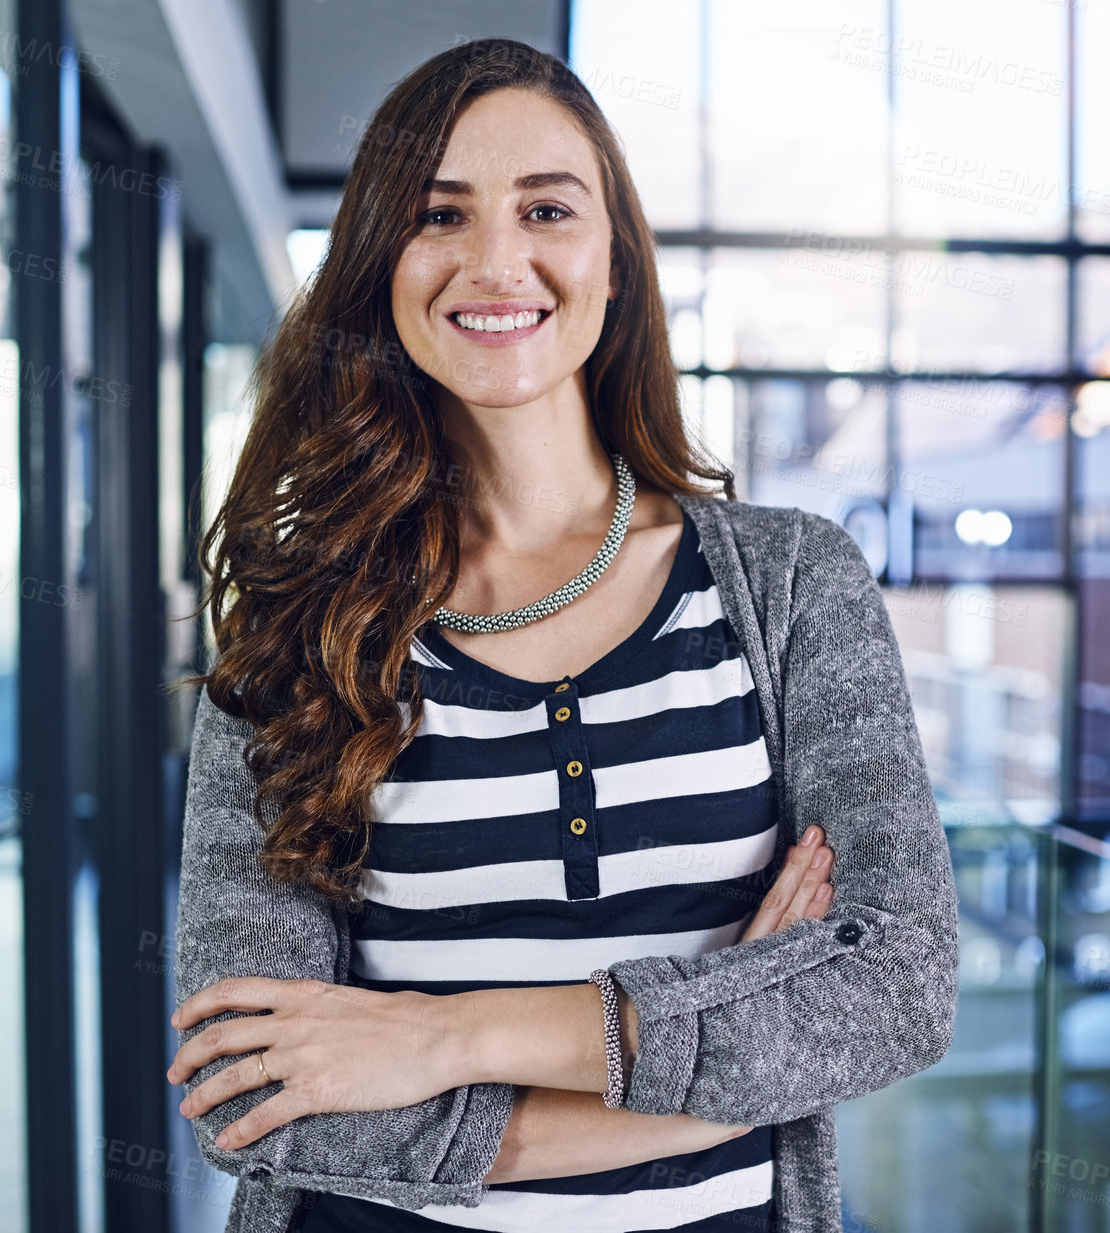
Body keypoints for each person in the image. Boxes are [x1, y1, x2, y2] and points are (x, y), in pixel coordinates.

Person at [165, 37, 958, 1233]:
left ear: (614, 262)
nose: (497, 261)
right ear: (381, 263)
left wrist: (441, 1034)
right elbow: (252, 1088)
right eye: (441, 214)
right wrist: (706, 1086)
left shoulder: (792, 582)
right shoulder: (294, 618)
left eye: (546, 207)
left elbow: (895, 985)